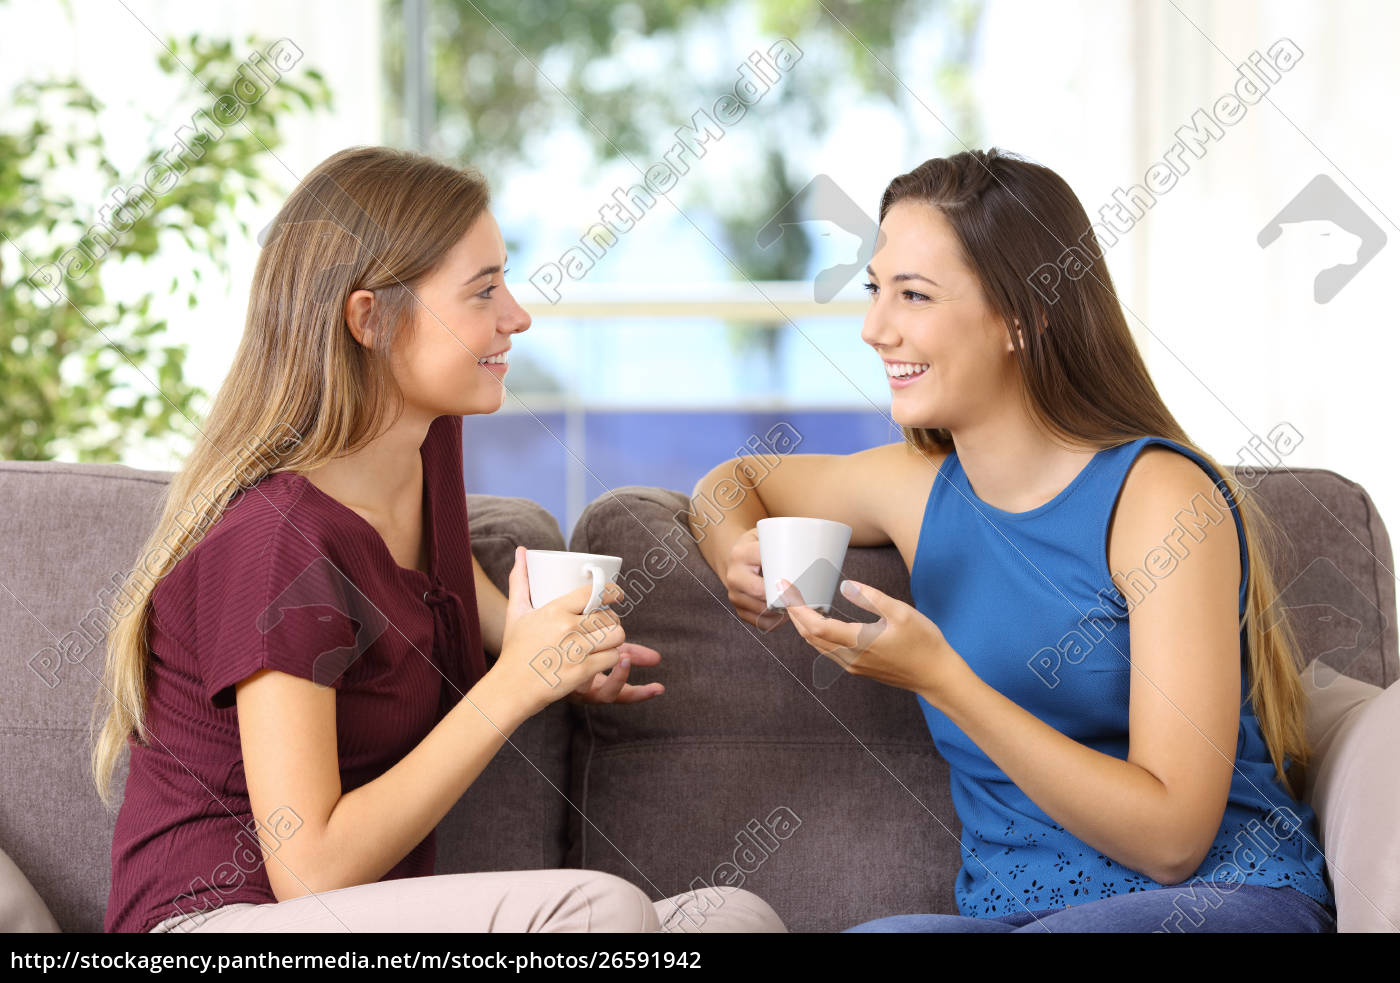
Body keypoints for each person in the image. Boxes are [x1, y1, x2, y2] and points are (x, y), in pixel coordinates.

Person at [95, 146, 786, 934]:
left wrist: (553, 648)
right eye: (483, 290)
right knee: (602, 909)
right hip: (216, 924)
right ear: (369, 318)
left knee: (732, 918)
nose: (517, 315)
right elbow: (308, 866)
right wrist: (514, 685)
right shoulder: (275, 539)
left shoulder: (428, 449)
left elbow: (447, 599)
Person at [691, 148, 1334, 932]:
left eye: (914, 295)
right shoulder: (917, 484)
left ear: (1022, 318)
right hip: (1013, 920)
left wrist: (943, 678)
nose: (873, 328)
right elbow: (731, 480)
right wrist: (735, 550)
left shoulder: (1159, 498)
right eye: (875, 290)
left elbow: (1173, 842)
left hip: (1214, 899)